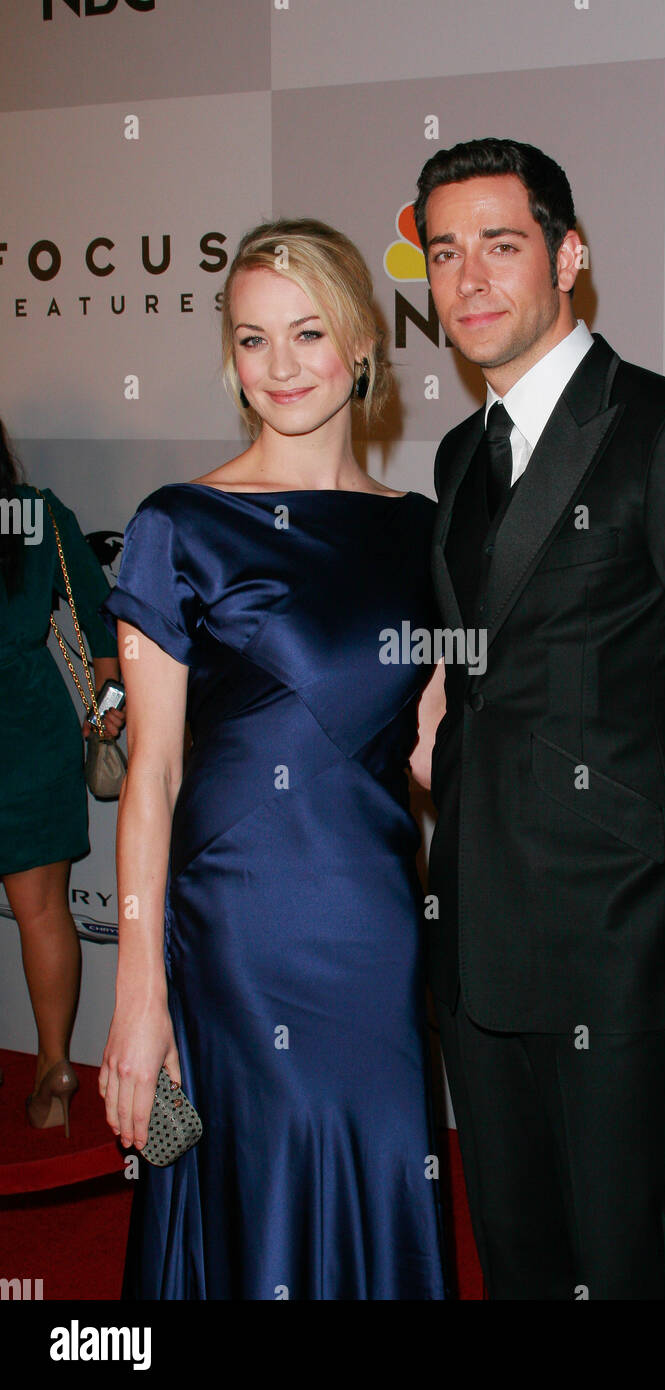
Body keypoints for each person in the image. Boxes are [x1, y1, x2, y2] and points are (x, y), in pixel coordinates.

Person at [413, 137, 665, 1299]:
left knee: (619, 1266)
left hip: (612, 943)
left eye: (501, 245)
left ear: (568, 254)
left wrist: (655, 857)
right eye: (444, 254)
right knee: (517, 1256)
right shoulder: (456, 453)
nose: (470, 280)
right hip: (475, 938)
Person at [98, 219, 447, 1300]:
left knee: (382, 1159)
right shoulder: (180, 525)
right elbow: (150, 775)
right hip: (237, 926)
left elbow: (440, 751)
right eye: (252, 340)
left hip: (376, 928)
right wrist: (137, 993)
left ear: (361, 345)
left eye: (307, 333)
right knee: (257, 1181)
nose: (281, 366)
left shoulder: (422, 532)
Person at [0, 420, 124, 1135]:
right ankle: (53, 1068)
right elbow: (105, 634)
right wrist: (106, 716)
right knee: (44, 912)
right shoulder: (37, 512)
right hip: (30, 736)